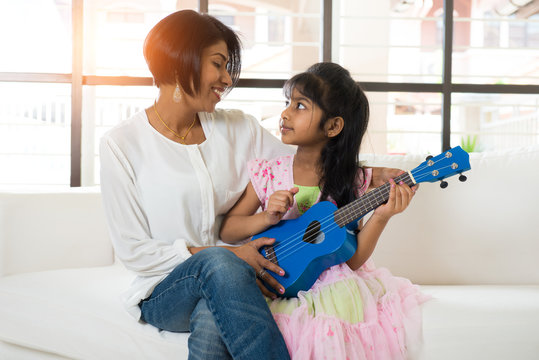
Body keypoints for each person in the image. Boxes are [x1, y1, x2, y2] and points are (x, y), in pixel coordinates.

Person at [100, 9, 402, 360]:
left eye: (228, 67)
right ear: (181, 60)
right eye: (218, 64)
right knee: (218, 264)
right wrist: (230, 256)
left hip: (237, 284)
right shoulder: (121, 144)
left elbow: (309, 160)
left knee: (212, 320)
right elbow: (135, 252)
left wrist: (371, 174)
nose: (227, 79)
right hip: (166, 289)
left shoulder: (239, 128)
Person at [220, 62, 427, 359]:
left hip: (330, 286)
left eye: (301, 106)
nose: (286, 113)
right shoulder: (269, 173)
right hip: (271, 277)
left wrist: (381, 216)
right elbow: (228, 229)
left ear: (332, 126)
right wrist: (266, 217)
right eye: (287, 103)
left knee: (335, 320)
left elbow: (351, 260)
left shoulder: (353, 182)